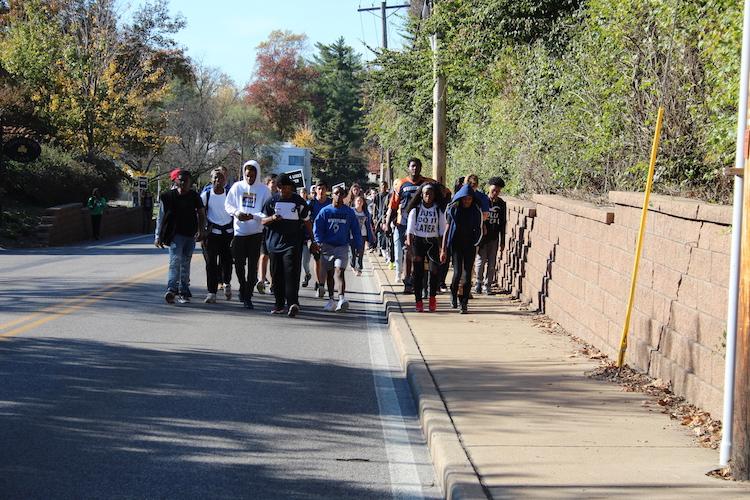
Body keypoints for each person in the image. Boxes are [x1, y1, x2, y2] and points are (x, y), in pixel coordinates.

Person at [261, 174, 315, 316]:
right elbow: (262, 220)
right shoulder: (271, 202)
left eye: (288, 188)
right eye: (282, 188)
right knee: (276, 275)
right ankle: (279, 305)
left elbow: (307, 222)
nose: (285, 190)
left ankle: (293, 303)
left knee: (291, 273)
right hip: (274, 244)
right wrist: (273, 218)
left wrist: (313, 239)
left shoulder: (299, 202)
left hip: (292, 243)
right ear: (278, 188)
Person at [224, 160, 273, 309]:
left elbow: (267, 211)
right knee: (239, 264)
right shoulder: (237, 187)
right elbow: (228, 205)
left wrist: (253, 216)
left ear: (257, 174)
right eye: (247, 176)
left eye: (252, 176)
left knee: (252, 266)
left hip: (256, 232)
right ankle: (242, 286)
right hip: (239, 232)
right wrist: (237, 213)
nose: (249, 179)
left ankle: (248, 294)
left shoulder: (264, 190)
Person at [386, 158, 438, 294]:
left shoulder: (428, 183)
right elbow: (393, 205)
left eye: (417, 166)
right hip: (403, 223)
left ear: (421, 168)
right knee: (407, 253)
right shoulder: (401, 184)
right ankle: (407, 281)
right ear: (408, 168)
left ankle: (419, 281)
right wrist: (387, 223)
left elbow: (444, 192)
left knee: (419, 254)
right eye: (413, 166)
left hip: (421, 223)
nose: (415, 168)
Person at [155, 169, 206, 304]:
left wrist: (201, 231)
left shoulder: (194, 196)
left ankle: (183, 290)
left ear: (190, 182)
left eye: (185, 180)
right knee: (175, 261)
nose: (182, 183)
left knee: (185, 263)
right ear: (176, 180)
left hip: (190, 235)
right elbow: (160, 217)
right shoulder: (167, 196)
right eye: (180, 180)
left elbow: (201, 214)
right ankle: (171, 290)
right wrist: (157, 236)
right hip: (175, 234)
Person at [313, 185, 363, 312]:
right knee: (330, 273)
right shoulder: (325, 211)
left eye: (341, 194)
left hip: (342, 246)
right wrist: (318, 242)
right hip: (327, 246)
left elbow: (356, 230)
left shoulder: (349, 212)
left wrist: (358, 245)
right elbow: (317, 227)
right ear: (332, 195)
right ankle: (331, 299)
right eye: (336, 193)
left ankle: (341, 299)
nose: (338, 196)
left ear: (344, 196)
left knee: (339, 271)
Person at [441, 184, 483, 314]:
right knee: (457, 273)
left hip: (469, 245)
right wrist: (443, 249)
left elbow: (479, 229)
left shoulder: (476, 210)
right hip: (456, 245)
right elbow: (447, 230)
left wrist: (476, 243)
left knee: (467, 275)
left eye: (469, 199)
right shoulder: (453, 209)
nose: (467, 201)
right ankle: (453, 294)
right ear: (460, 198)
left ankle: (464, 303)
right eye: (465, 199)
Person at [405, 184, 446, 313]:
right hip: (419, 241)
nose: (428, 196)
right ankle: (418, 301)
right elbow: (409, 231)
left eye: (431, 194)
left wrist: (442, 249)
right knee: (418, 273)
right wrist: (410, 250)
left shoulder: (438, 210)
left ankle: (432, 297)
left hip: (433, 243)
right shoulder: (415, 211)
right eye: (426, 194)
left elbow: (441, 232)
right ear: (421, 195)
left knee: (434, 272)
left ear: (434, 195)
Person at [200, 168, 234, 304]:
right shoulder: (206, 195)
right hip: (212, 234)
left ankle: (227, 283)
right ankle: (211, 292)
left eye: (220, 178)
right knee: (211, 264)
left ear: (225, 180)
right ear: (211, 179)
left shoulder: (230, 195)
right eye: (215, 178)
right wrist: (201, 231)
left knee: (227, 263)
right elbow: (200, 214)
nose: (217, 180)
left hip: (228, 234)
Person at [475, 176, 507, 295]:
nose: (495, 193)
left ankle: (487, 285)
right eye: (493, 190)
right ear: (489, 188)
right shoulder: (483, 201)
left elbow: (503, 222)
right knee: (480, 260)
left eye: (498, 191)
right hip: (482, 237)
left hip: (494, 237)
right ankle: (478, 282)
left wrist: (502, 241)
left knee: (492, 263)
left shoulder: (502, 204)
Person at [308, 181, 332, 297]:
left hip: (329, 236)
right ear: (316, 190)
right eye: (319, 189)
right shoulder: (311, 204)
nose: (321, 191)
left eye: (323, 188)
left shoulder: (330, 203)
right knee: (317, 260)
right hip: (315, 236)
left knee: (326, 262)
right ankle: (319, 283)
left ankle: (322, 283)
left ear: (326, 190)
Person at [258, 173, 279, 294]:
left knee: (274, 259)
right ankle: (261, 280)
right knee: (263, 255)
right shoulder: (263, 196)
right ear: (267, 184)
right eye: (273, 183)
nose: (275, 185)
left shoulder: (279, 197)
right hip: (263, 230)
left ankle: (273, 283)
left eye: (276, 183)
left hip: (276, 232)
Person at [351, 195, 375, 276]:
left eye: (361, 201)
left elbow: (368, 224)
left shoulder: (365, 212)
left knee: (360, 252)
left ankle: (359, 268)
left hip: (362, 234)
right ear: (354, 202)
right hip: (352, 235)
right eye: (358, 200)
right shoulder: (351, 211)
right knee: (353, 252)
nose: (359, 202)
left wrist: (372, 234)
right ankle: (353, 265)